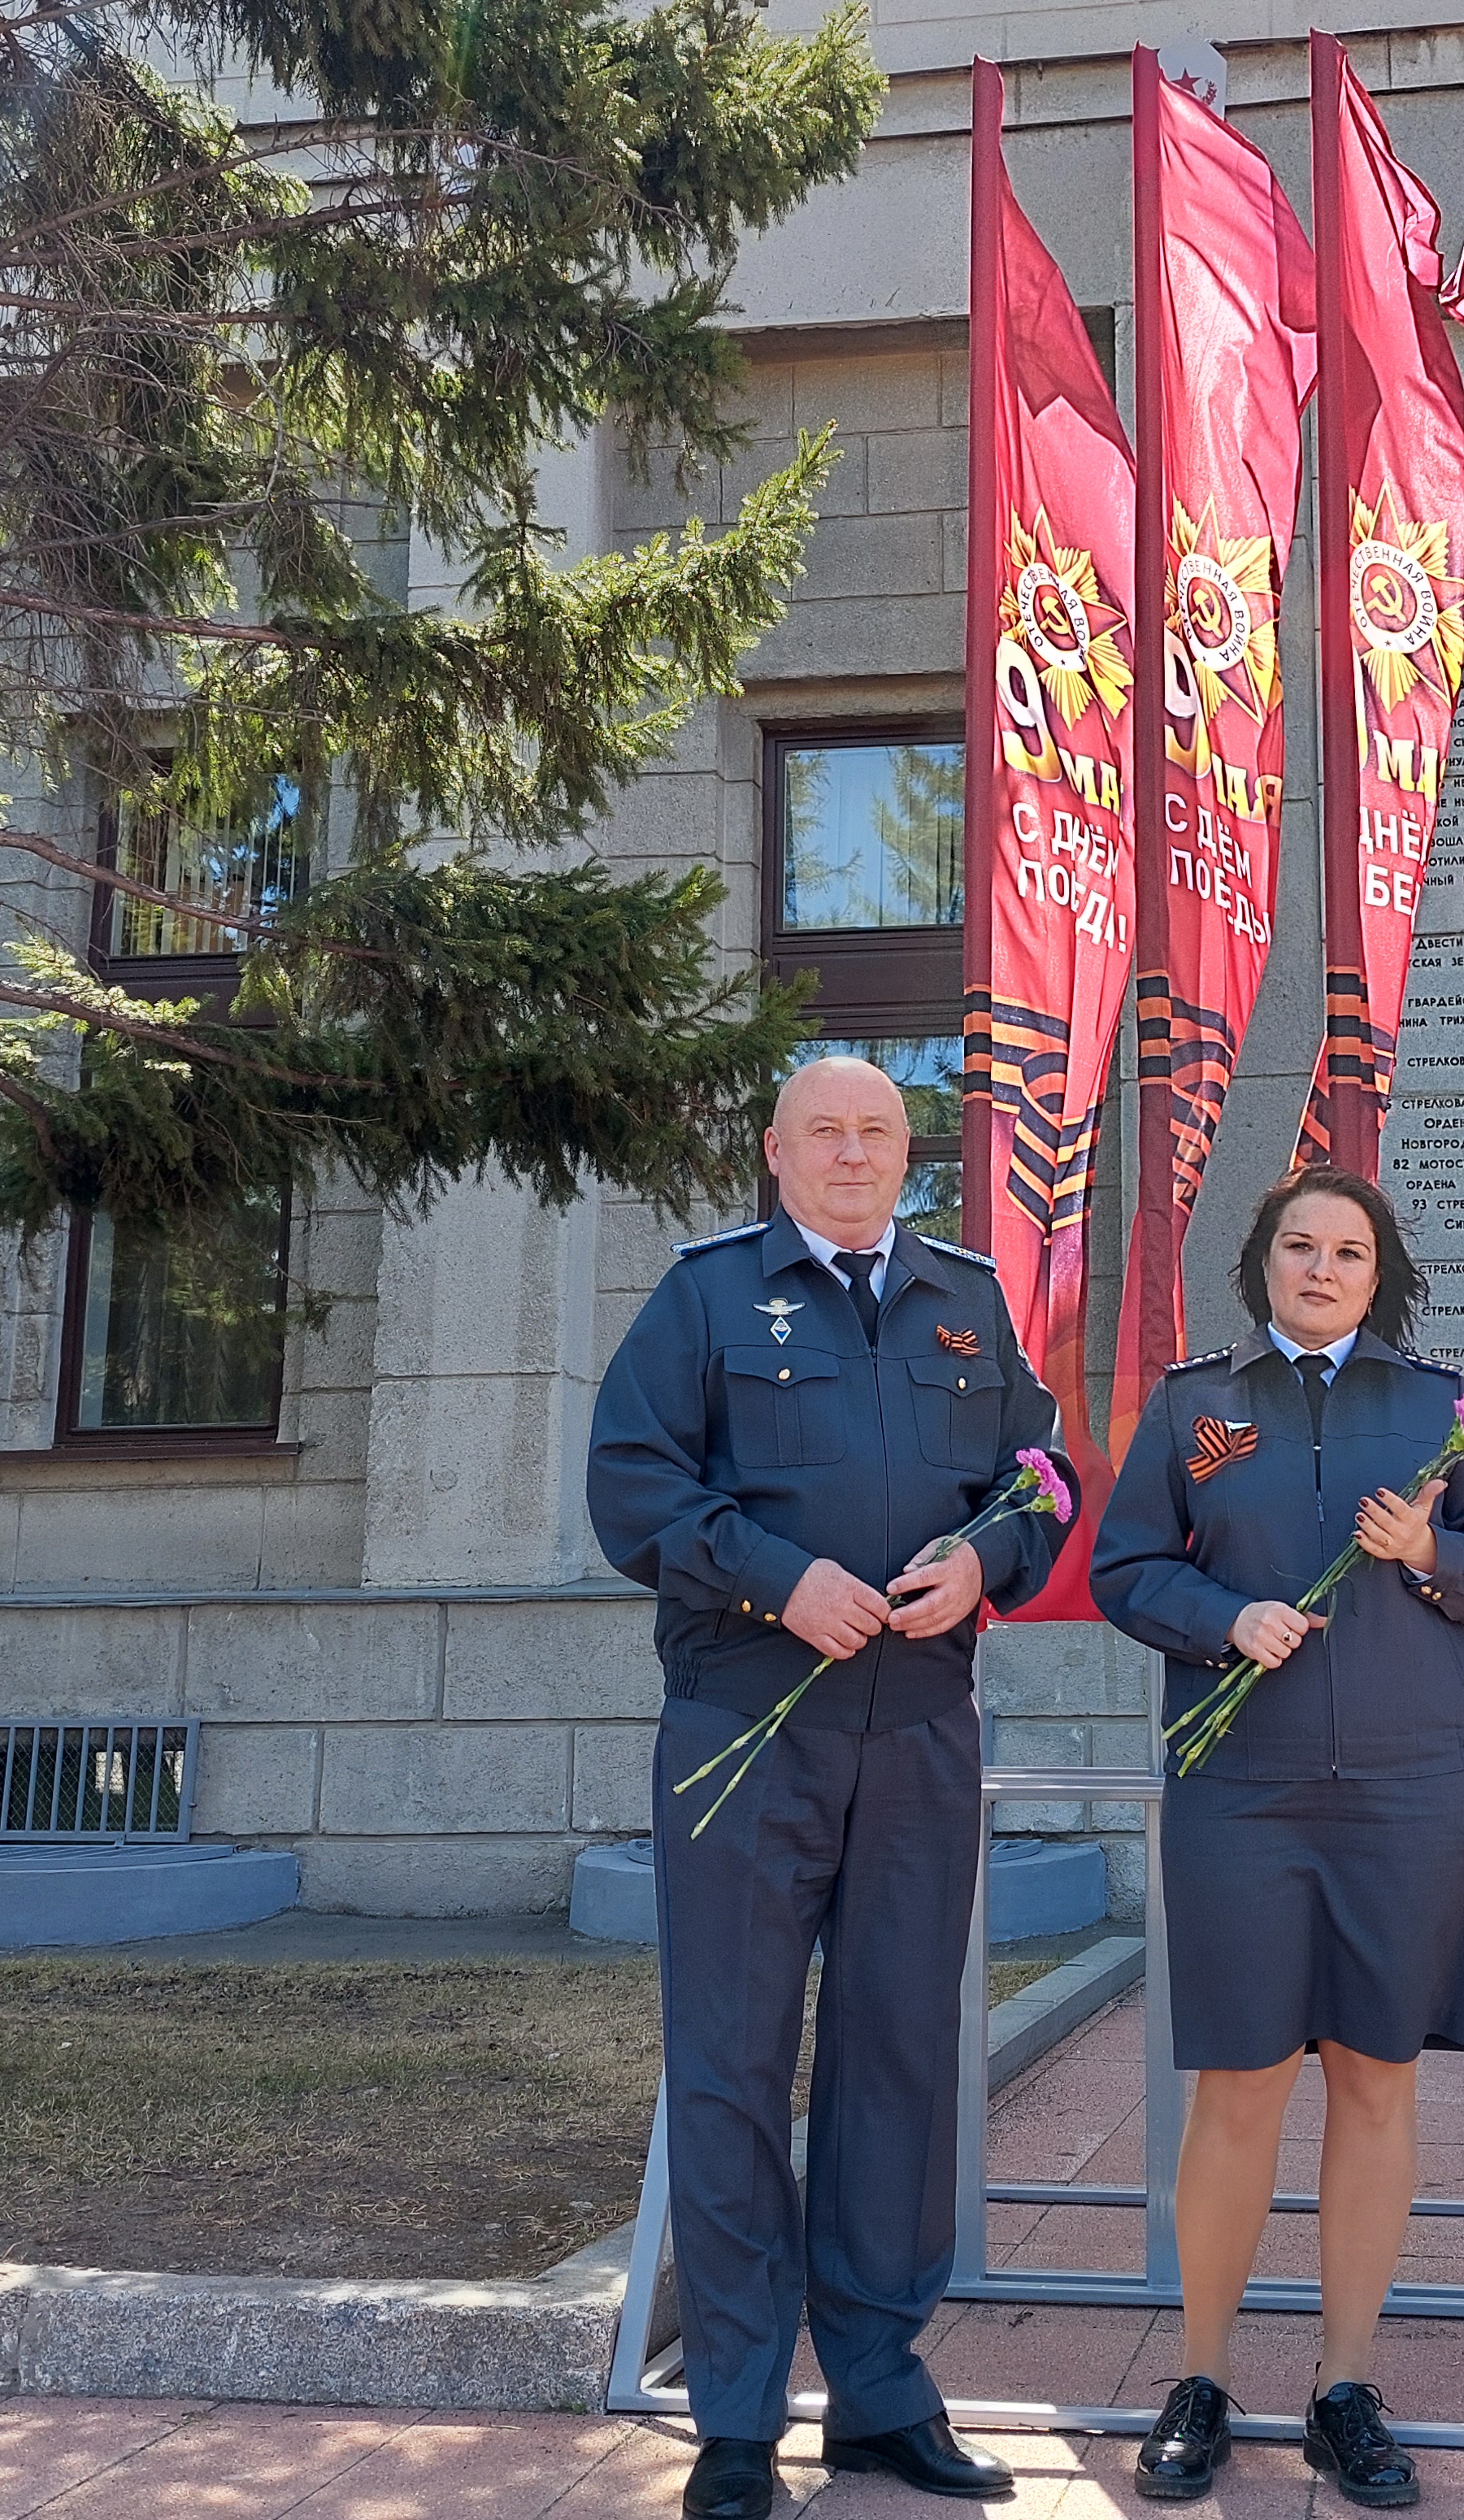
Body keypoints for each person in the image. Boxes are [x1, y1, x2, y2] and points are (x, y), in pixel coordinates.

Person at [585, 1055, 1077, 2520]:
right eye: (825, 1134)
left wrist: (989, 1558)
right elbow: (632, 1483)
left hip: (920, 1730)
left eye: (875, 1132)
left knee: (900, 2057)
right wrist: (778, 1580)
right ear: (776, 1152)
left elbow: (1042, 1475)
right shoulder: (705, 1299)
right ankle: (737, 2415)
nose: (852, 1155)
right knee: (735, 2062)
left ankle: (876, 2393)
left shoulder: (970, 1299)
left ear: (904, 1151)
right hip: (748, 1725)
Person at [1091, 1166, 1464, 2510]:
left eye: (1350, 1250)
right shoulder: (1194, 1403)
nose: (1324, 1267)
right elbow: (1123, 1568)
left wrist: (1424, 1554)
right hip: (1243, 1790)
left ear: (1378, 1272)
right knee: (1237, 2083)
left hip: (1405, 1792)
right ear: (1264, 1264)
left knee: (1374, 2077)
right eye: (1301, 1245)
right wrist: (1222, 1618)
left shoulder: (1442, 1409)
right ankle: (1204, 2378)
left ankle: (1346, 2385)